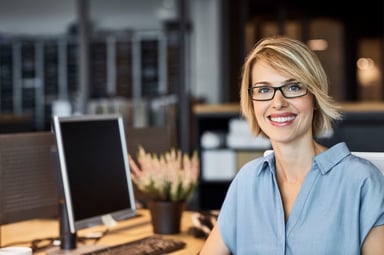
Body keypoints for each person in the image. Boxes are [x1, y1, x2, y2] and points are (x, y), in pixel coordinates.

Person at [199, 36, 384, 254]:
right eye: (264, 90)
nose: (278, 103)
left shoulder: (362, 181)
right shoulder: (247, 181)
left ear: (314, 96)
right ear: (251, 101)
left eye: (294, 87)